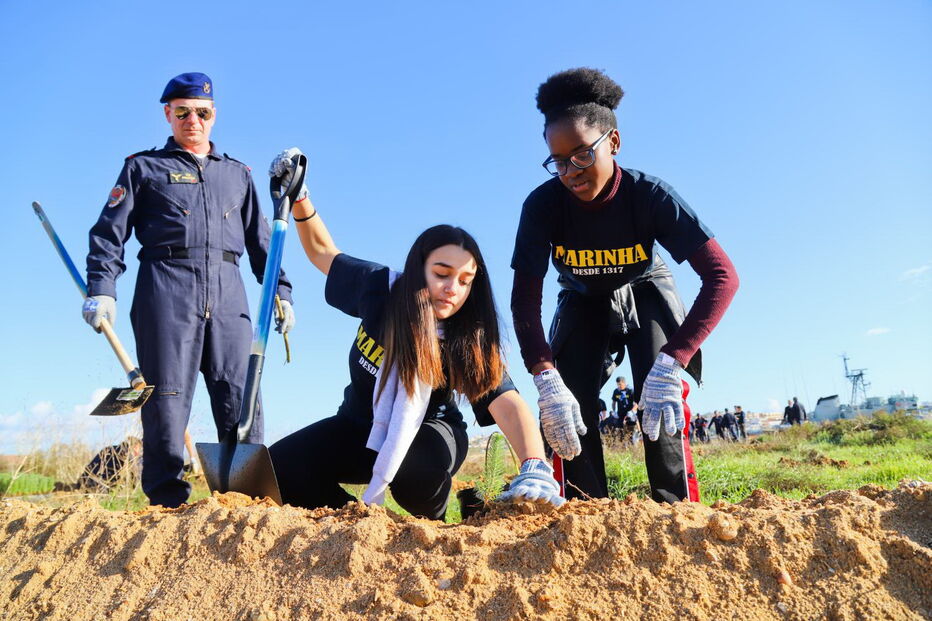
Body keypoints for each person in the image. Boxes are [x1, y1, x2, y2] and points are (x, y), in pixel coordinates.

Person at [266, 148, 563, 519]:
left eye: (465, 281)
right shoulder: (380, 289)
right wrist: (300, 197)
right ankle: (358, 527)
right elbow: (322, 252)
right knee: (279, 467)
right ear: (417, 267)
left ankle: (433, 531)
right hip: (359, 426)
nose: (452, 288)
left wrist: (535, 464)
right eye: (442, 273)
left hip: (432, 433)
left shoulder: (463, 335)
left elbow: (506, 402)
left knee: (414, 469)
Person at [510, 68, 738, 503]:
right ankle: (585, 511)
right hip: (581, 296)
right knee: (569, 403)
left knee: (660, 402)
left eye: (581, 155)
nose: (570, 172)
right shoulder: (542, 206)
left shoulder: (649, 196)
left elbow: (723, 276)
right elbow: (524, 302)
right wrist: (544, 378)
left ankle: (675, 511)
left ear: (612, 142)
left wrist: (675, 361)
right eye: (558, 161)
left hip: (645, 286)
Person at [82, 73, 294, 508]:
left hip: (229, 288)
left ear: (213, 116)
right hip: (166, 288)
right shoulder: (143, 168)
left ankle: (248, 502)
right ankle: (167, 503)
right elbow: (108, 235)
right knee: (166, 399)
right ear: (168, 115)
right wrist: (102, 289)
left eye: (201, 113)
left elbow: (263, 245)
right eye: (182, 112)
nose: (191, 120)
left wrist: (280, 291)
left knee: (242, 394)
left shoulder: (237, 175)